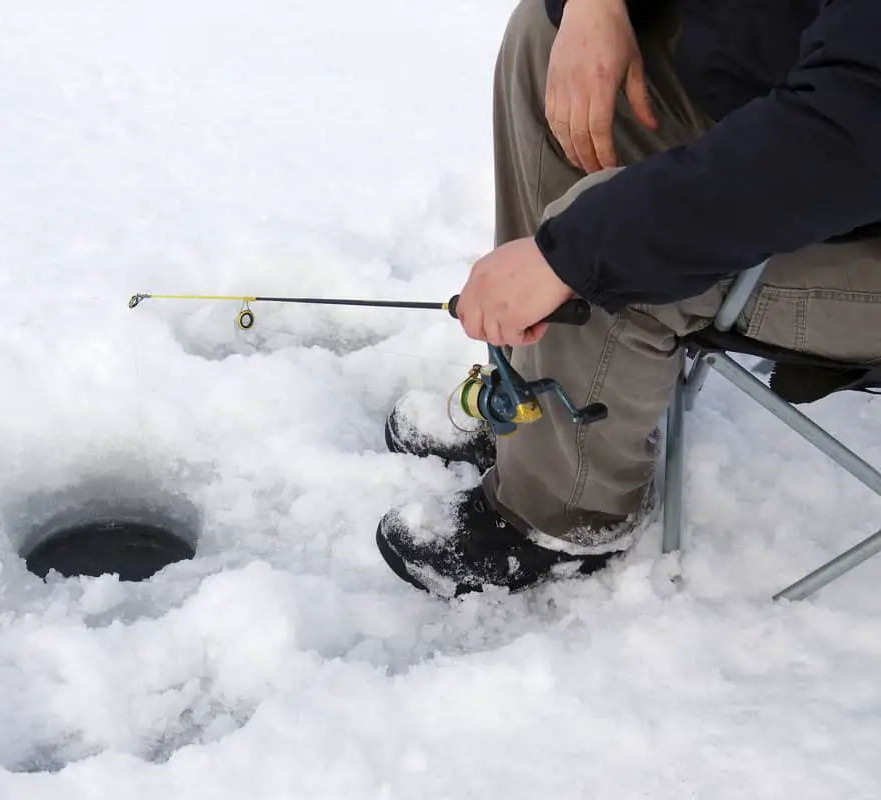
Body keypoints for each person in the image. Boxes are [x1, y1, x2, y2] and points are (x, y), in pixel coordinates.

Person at [375, 0, 881, 597]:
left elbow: (844, 144)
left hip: (850, 173)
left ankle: (568, 511)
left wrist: (577, 252)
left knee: (617, 250)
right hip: (809, 103)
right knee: (547, 37)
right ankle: (537, 415)